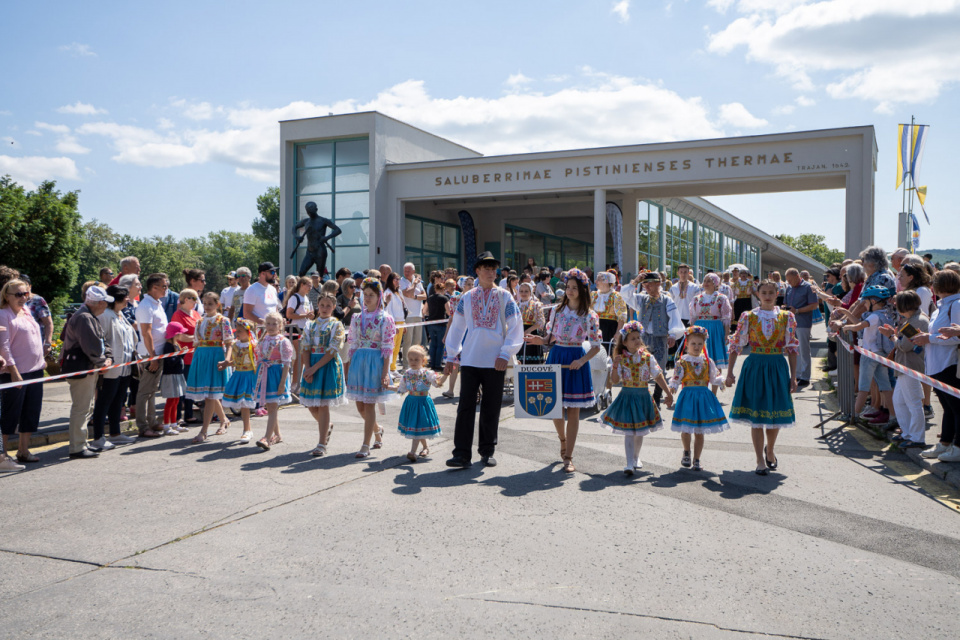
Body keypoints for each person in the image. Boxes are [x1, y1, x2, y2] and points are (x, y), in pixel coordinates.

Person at [444, 252, 524, 468]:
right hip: (470, 359)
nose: (491, 272)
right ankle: (461, 453)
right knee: (465, 407)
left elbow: (516, 327)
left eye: (493, 268)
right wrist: (451, 355)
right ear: (477, 271)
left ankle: (487, 451)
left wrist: (505, 353)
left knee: (491, 407)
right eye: (486, 268)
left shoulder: (505, 296)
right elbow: (458, 327)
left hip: (495, 360)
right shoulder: (467, 298)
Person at [525, 269, 602, 473]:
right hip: (556, 356)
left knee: (573, 411)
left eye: (574, 288)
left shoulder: (589, 315)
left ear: (583, 290)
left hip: (576, 360)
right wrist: (540, 340)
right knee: (554, 407)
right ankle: (563, 440)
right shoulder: (557, 311)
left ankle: (568, 456)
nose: (570, 291)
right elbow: (551, 338)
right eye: (568, 287)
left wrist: (582, 360)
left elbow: (596, 346)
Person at [726, 280, 799, 476]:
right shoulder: (748, 316)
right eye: (763, 292)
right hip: (755, 365)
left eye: (771, 292)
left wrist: (793, 377)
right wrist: (730, 372)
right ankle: (759, 459)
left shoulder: (787, 317)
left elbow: (792, 348)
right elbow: (736, 345)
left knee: (774, 414)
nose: (767, 295)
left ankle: (771, 449)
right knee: (756, 415)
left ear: (777, 294)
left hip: (777, 365)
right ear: (757, 295)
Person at [601, 321, 673, 476]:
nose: (637, 341)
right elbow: (614, 380)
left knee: (639, 432)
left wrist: (668, 392)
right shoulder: (621, 359)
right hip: (627, 396)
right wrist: (615, 365)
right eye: (632, 338)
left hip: (642, 396)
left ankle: (635, 457)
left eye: (638, 337)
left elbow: (658, 376)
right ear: (625, 342)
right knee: (629, 432)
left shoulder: (648, 357)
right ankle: (628, 463)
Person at [60, 285, 115, 459]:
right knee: (81, 408)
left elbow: (100, 342)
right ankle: (77, 447)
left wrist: (107, 357)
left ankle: (81, 444)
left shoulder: (87, 316)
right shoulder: (85, 317)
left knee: (85, 408)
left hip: (86, 367)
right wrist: (103, 360)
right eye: (105, 302)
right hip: (83, 369)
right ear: (98, 303)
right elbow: (92, 346)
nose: (106, 305)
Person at [345, 278, 396, 458]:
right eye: (364, 295)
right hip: (360, 361)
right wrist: (350, 368)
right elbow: (353, 343)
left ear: (379, 296)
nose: (367, 298)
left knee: (369, 404)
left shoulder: (385, 318)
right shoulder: (357, 317)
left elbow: (387, 347)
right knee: (360, 406)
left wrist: (385, 373)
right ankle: (377, 429)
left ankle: (365, 445)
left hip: (375, 362)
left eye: (371, 295)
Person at [915, 269, 960, 462]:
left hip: (949, 363)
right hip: (936, 364)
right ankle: (945, 443)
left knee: (956, 407)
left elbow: (954, 336)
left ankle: (957, 447)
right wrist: (927, 337)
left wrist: (929, 338)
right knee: (947, 407)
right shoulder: (942, 305)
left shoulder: (956, 304)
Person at [621, 271, 685, 407]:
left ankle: (656, 397)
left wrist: (673, 335)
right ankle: (641, 395)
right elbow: (625, 294)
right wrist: (635, 281)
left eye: (649, 283)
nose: (646, 286)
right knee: (640, 365)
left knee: (659, 367)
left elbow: (674, 318)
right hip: (642, 339)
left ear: (658, 283)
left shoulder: (667, 300)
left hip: (660, 338)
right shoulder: (641, 299)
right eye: (644, 284)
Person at [669, 326, 729, 471]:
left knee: (700, 430)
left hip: (703, 397)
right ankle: (686, 451)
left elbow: (714, 376)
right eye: (693, 344)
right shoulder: (682, 362)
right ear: (687, 344)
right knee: (686, 428)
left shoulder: (707, 361)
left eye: (699, 344)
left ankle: (697, 458)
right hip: (688, 397)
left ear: (704, 345)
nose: (696, 347)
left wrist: (720, 382)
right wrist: (673, 386)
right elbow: (676, 377)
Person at [0, 279, 46, 464]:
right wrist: (13, 370)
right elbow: (3, 346)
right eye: (18, 294)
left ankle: (23, 450)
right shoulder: (4, 314)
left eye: (25, 294)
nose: (23, 298)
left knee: (31, 411)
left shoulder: (26, 312)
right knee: (10, 413)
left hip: (35, 371)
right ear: (6, 296)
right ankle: (2, 454)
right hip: (15, 372)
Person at [90, 285, 138, 450]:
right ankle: (98, 436)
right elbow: (101, 340)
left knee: (118, 400)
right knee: (104, 402)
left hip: (124, 367)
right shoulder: (106, 316)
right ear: (117, 297)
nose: (128, 299)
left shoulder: (120, 315)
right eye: (125, 296)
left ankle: (115, 434)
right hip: (111, 367)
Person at [299, 294, 347, 456]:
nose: (325, 308)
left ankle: (321, 443)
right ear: (317, 306)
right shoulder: (310, 325)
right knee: (311, 405)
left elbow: (333, 350)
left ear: (333, 307)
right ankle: (326, 425)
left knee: (322, 404)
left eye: (328, 305)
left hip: (327, 365)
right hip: (312, 363)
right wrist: (308, 368)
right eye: (322, 305)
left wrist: (314, 368)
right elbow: (305, 347)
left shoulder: (336, 325)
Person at [880, 291, 929, 448]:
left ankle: (917, 438)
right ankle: (908, 433)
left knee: (913, 402)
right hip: (905, 366)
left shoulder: (916, 321)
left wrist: (891, 336)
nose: (895, 305)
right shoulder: (912, 319)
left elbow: (904, 346)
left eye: (897, 303)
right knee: (899, 401)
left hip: (910, 366)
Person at [187, 292, 235, 443]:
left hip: (215, 357)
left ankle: (203, 431)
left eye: (210, 304)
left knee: (209, 396)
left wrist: (227, 360)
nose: (207, 306)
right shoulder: (200, 321)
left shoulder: (223, 320)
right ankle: (224, 420)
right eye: (205, 303)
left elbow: (229, 343)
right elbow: (196, 343)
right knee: (210, 393)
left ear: (217, 305)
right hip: (202, 357)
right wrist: (196, 362)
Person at [395, 345, 447, 462]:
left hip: (423, 403)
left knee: (418, 426)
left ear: (423, 360)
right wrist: (386, 386)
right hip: (411, 402)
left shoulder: (426, 373)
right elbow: (401, 388)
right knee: (418, 426)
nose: (413, 362)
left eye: (416, 359)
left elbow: (438, 383)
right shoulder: (407, 374)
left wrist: (446, 374)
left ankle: (412, 452)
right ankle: (425, 447)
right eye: (411, 359)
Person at [253, 311, 294, 450]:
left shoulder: (283, 341)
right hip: (265, 374)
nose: (270, 326)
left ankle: (267, 437)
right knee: (271, 406)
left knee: (272, 406)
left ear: (281, 325)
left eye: (274, 323)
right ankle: (277, 434)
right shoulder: (264, 339)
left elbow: (287, 363)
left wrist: (282, 383)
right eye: (268, 323)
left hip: (276, 374)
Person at [689, 273, 733, 384]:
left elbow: (726, 318)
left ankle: (714, 393)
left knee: (716, 360)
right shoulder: (697, 298)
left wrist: (726, 334)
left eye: (709, 281)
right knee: (698, 358)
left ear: (716, 283)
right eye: (705, 281)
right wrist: (690, 333)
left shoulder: (721, 298)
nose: (706, 283)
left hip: (715, 329)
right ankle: (701, 387)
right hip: (700, 329)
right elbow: (693, 317)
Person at [221, 318, 258, 445]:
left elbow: (257, 361)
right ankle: (247, 429)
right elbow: (236, 361)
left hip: (250, 376)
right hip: (239, 375)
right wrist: (227, 364)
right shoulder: (236, 345)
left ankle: (248, 430)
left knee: (246, 403)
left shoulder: (253, 345)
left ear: (248, 332)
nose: (238, 333)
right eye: (237, 330)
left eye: (241, 331)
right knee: (243, 404)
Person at [783, 268, 819, 389]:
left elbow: (814, 305)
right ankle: (796, 375)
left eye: (791, 280)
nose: (789, 283)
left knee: (803, 349)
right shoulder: (789, 288)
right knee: (793, 349)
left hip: (803, 322)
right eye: (787, 280)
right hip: (790, 323)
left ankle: (805, 376)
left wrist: (797, 310)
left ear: (798, 276)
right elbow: (786, 303)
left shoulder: (808, 287)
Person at [172, 289, 202, 424]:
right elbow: (179, 336)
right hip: (184, 355)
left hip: (196, 355)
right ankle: (177, 416)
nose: (196, 301)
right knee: (181, 387)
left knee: (191, 386)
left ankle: (189, 414)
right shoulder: (178, 315)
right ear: (185, 299)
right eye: (193, 298)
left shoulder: (196, 314)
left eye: (197, 298)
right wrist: (195, 338)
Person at [159, 322, 189, 437]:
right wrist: (180, 354)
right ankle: (167, 426)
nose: (181, 335)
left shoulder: (176, 345)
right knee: (170, 401)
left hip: (177, 375)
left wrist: (181, 354)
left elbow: (176, 359)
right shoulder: (168, 346)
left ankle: (174, 423)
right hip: (170, 375)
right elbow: (170, 362)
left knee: (176, 401)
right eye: (180, 333)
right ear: (175, 334)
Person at [285, 276, 314, 390]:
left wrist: (310, 316)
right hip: (294, 330)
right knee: (300, 356)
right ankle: (294, 383)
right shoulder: (295, 298)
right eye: (308, 285)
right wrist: (305, 315)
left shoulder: (307, 298)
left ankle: (297, 382)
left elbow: (309, 315)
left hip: (304, 330)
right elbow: (289, 314)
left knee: (302, 357)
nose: (310, 288)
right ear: (302, 284)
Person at [591, 271, 628, 356]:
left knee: (608, 353)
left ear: (606, 282)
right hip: (594, 328)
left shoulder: (616, 296)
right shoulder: (593, 295)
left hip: (609, 329)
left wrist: (618, 332)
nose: (596, 282)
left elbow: (622, 316)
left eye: (598, 280)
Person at [399, 263, 426, 365]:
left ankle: (417, 364)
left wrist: (415, 297)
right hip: (408, 316)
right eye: (405, 270)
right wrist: (414, 284)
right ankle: (406, 364)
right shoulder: (402, 281)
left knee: (417, 341)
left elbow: (424, 296)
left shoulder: (419, 282)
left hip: (418, 315)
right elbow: (407, 293)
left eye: (409, 271)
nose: (406, 273)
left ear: (413, 271)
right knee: (407, 341)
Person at [19, 275, 53, 356]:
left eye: (25, 285)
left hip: (35, 344)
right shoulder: (14, 300)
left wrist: (48, 343)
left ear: (30, 286)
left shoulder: (38, 301)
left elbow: (48, 323)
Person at [424, 272, 450, 372]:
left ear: (435, 289)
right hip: (441, 323)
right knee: (440, 344)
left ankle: (432, 363)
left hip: (431, 323)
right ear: (443, 290)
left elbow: (424, 311)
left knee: (432, 344)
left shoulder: (430, 298)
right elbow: (448, 311)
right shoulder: (444, 298)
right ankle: (437, 364)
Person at [383, 272, 407, 375]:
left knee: (397, 347)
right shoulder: (388, 292)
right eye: (395, 279)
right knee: (391, 347)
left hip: (401, 322)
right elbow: (389, 310)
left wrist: (404, 323)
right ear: (390, 281)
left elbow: (402, 309)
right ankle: (389, 369)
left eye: (398, 279)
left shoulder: (399, 292)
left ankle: (393, 368)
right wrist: (393, 325)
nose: (398, 281)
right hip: (394, 322)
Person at [517, 282, 546, 365]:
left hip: (532, 333)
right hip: (519, 334)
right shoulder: (516, 304)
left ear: (530, 292)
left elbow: (541, 321)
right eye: (521, 291)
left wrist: (528, 331)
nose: (523, 293)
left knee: (531, 359)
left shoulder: (536, 305)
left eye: (526, 291)